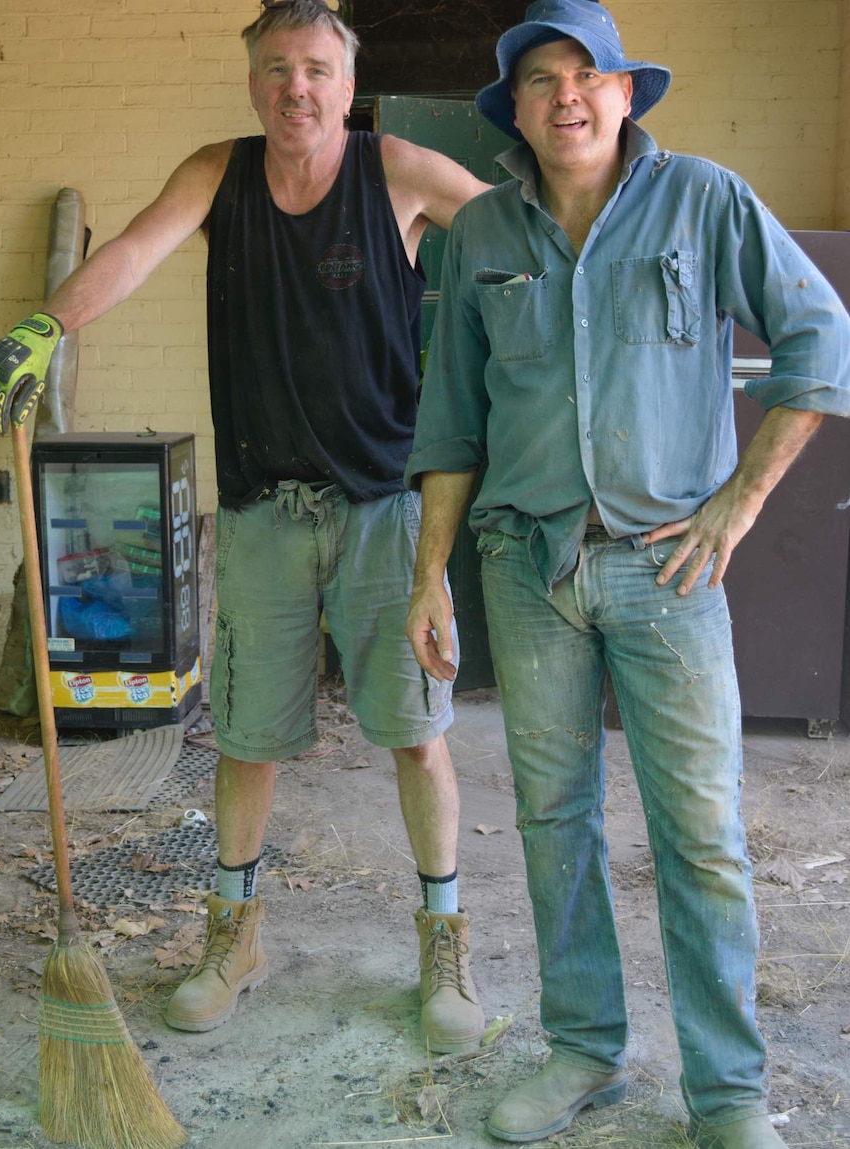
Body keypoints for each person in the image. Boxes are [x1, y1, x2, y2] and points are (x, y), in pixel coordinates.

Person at [0, 0, 490, 1054]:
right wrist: (46, 324)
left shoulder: (394, 168)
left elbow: (512, 236)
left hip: (386, 510)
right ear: (253, 81)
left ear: (348, 86)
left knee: (415, 734)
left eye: (315, 68)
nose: (295, 87)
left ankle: (443, 944)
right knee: (250, 741)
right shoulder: (218, 170)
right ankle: (235, 935)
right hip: (265, 508)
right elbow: (132, 249)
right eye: (275, 69)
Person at [404, 0, 850, 1145]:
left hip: (670, 575)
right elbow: (452, 424)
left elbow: (821, 340)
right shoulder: (481, 236)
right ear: (514, 108)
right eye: (540, 79)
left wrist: (739, 506)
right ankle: (583, 1052)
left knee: (699, 833)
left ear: (623, 93)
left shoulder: (701, 198)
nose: (565, 96)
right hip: (528, 569)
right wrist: (429, 576)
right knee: (555, 826)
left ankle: (727, 1094)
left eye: (586, 74)